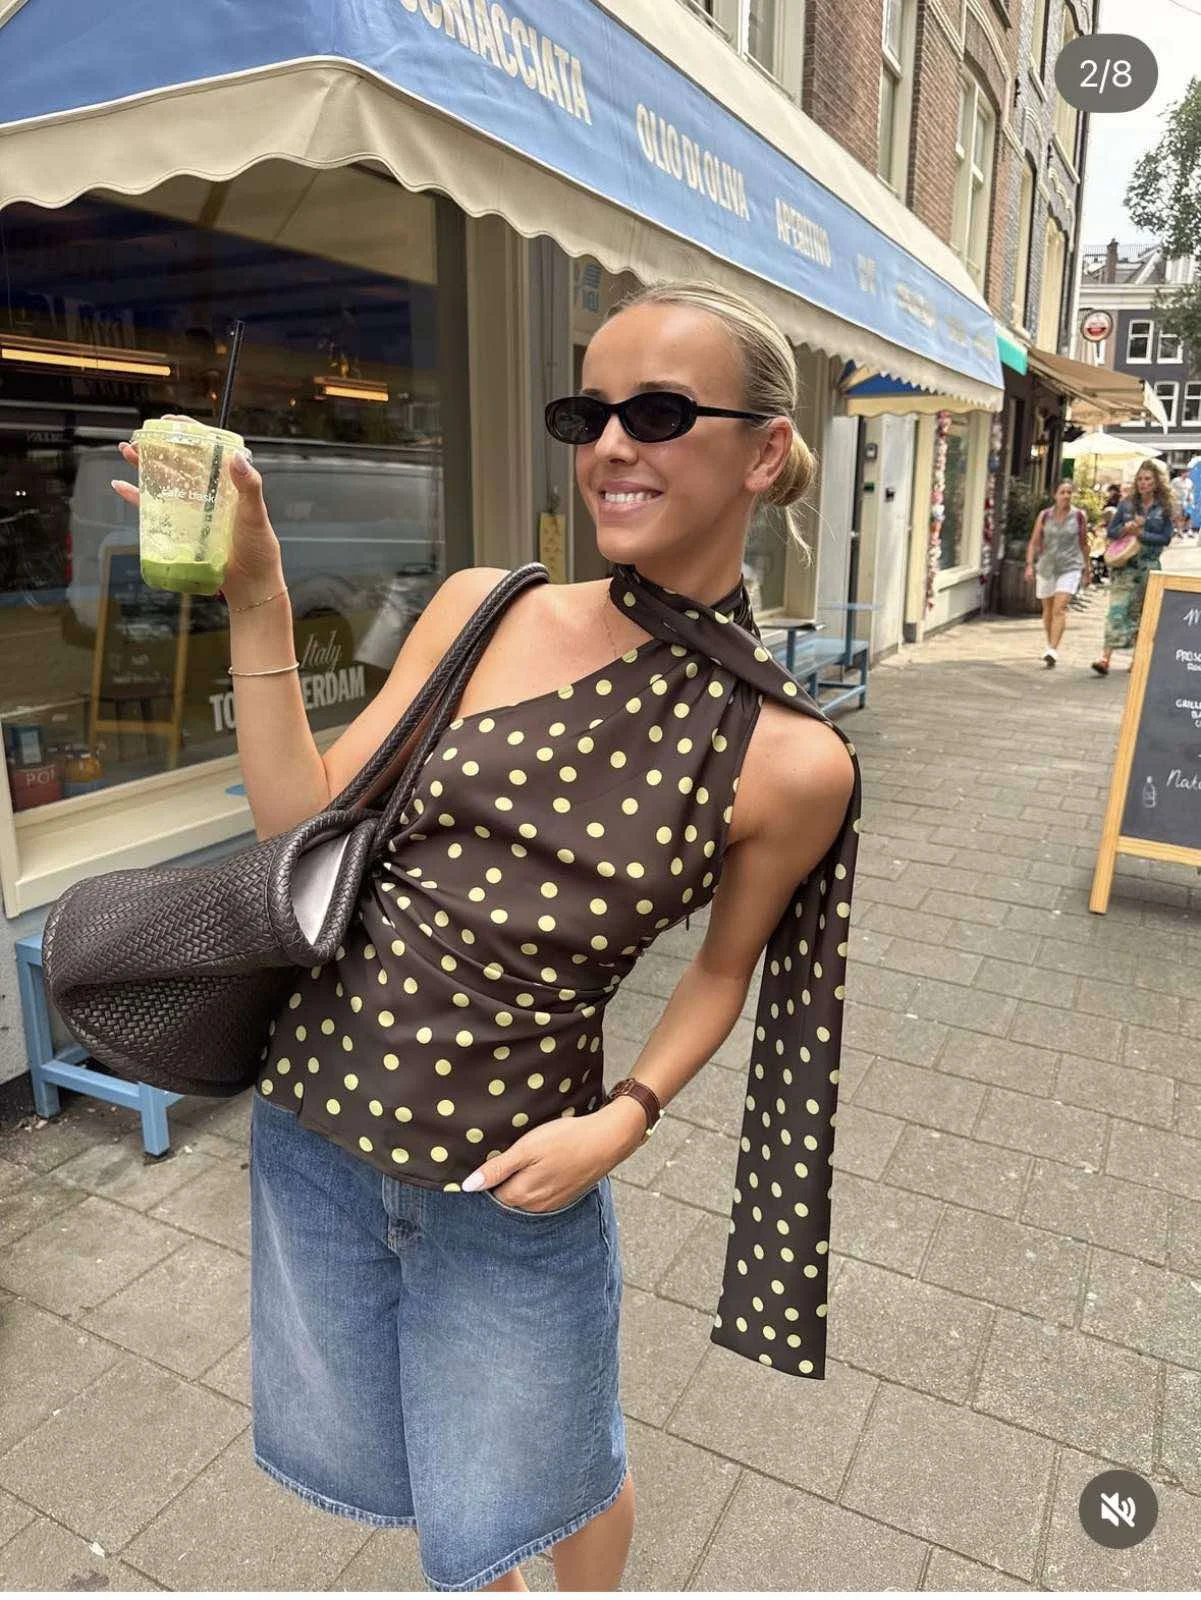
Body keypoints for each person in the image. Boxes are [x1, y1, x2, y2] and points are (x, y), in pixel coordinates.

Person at [113, 283, 858, 1592]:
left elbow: (721, 972)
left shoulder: (790, 760)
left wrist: (621, 1121)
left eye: (659, 412)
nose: (611, 444)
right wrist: (259, 597)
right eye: (589, 413)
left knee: (560, 1469)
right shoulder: (486, 609)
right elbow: (300, 824)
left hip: (516, 1171)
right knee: (433, 1460)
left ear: (763, 453)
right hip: (316, 1130)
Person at [1092, 458, 1177, 675]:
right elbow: (1111, 532)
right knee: (1116, 609)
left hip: (1149, 567)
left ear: (1156, 482)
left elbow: (1166, 538)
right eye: (1140, 479)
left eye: (1147, 479)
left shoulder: (1163, 508)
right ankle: (1105, 657)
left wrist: (1142, 533)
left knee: (1141, 613)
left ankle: (1136, 660)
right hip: (1125, 566)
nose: (1143, 483)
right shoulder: (1126, 504)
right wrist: (1125, 528)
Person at [1024, 478, 1090, 666]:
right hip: (1047, 567)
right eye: (1062, 492)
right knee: (1048, 610)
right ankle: (1050, 644)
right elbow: (1034, 542)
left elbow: (1084, 544)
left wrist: (1087, 570)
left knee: (1059, 608)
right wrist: (1029, 565)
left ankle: (1053, 649)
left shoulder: (1079, 516)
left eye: (1069, 492)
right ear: (1055, 495)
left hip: (1070, 566)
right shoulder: (1044, 516)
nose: (1066, 496)